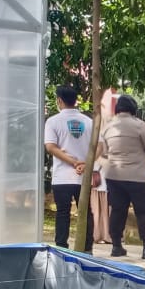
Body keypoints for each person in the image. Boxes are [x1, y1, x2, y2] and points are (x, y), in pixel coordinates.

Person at [99, 94, 145, 259]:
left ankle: (116, 246)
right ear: (134, 110)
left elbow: (103, 152)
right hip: (137, 176)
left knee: (117, 210)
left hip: (114, 175)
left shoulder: (108, 127)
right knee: (143, 211)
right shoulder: (139, 126)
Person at [43, 85, 94, 253]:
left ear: (59, 100)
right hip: (83, 177)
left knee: (63, 213)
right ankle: (87, 249)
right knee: (86, 213)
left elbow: (50, 147)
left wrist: (72, 163)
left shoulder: (53, 121)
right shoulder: (88, 121)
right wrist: (85, 164)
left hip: (62, 177)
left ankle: (61, 248)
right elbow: (100, 146)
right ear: (75, 101)